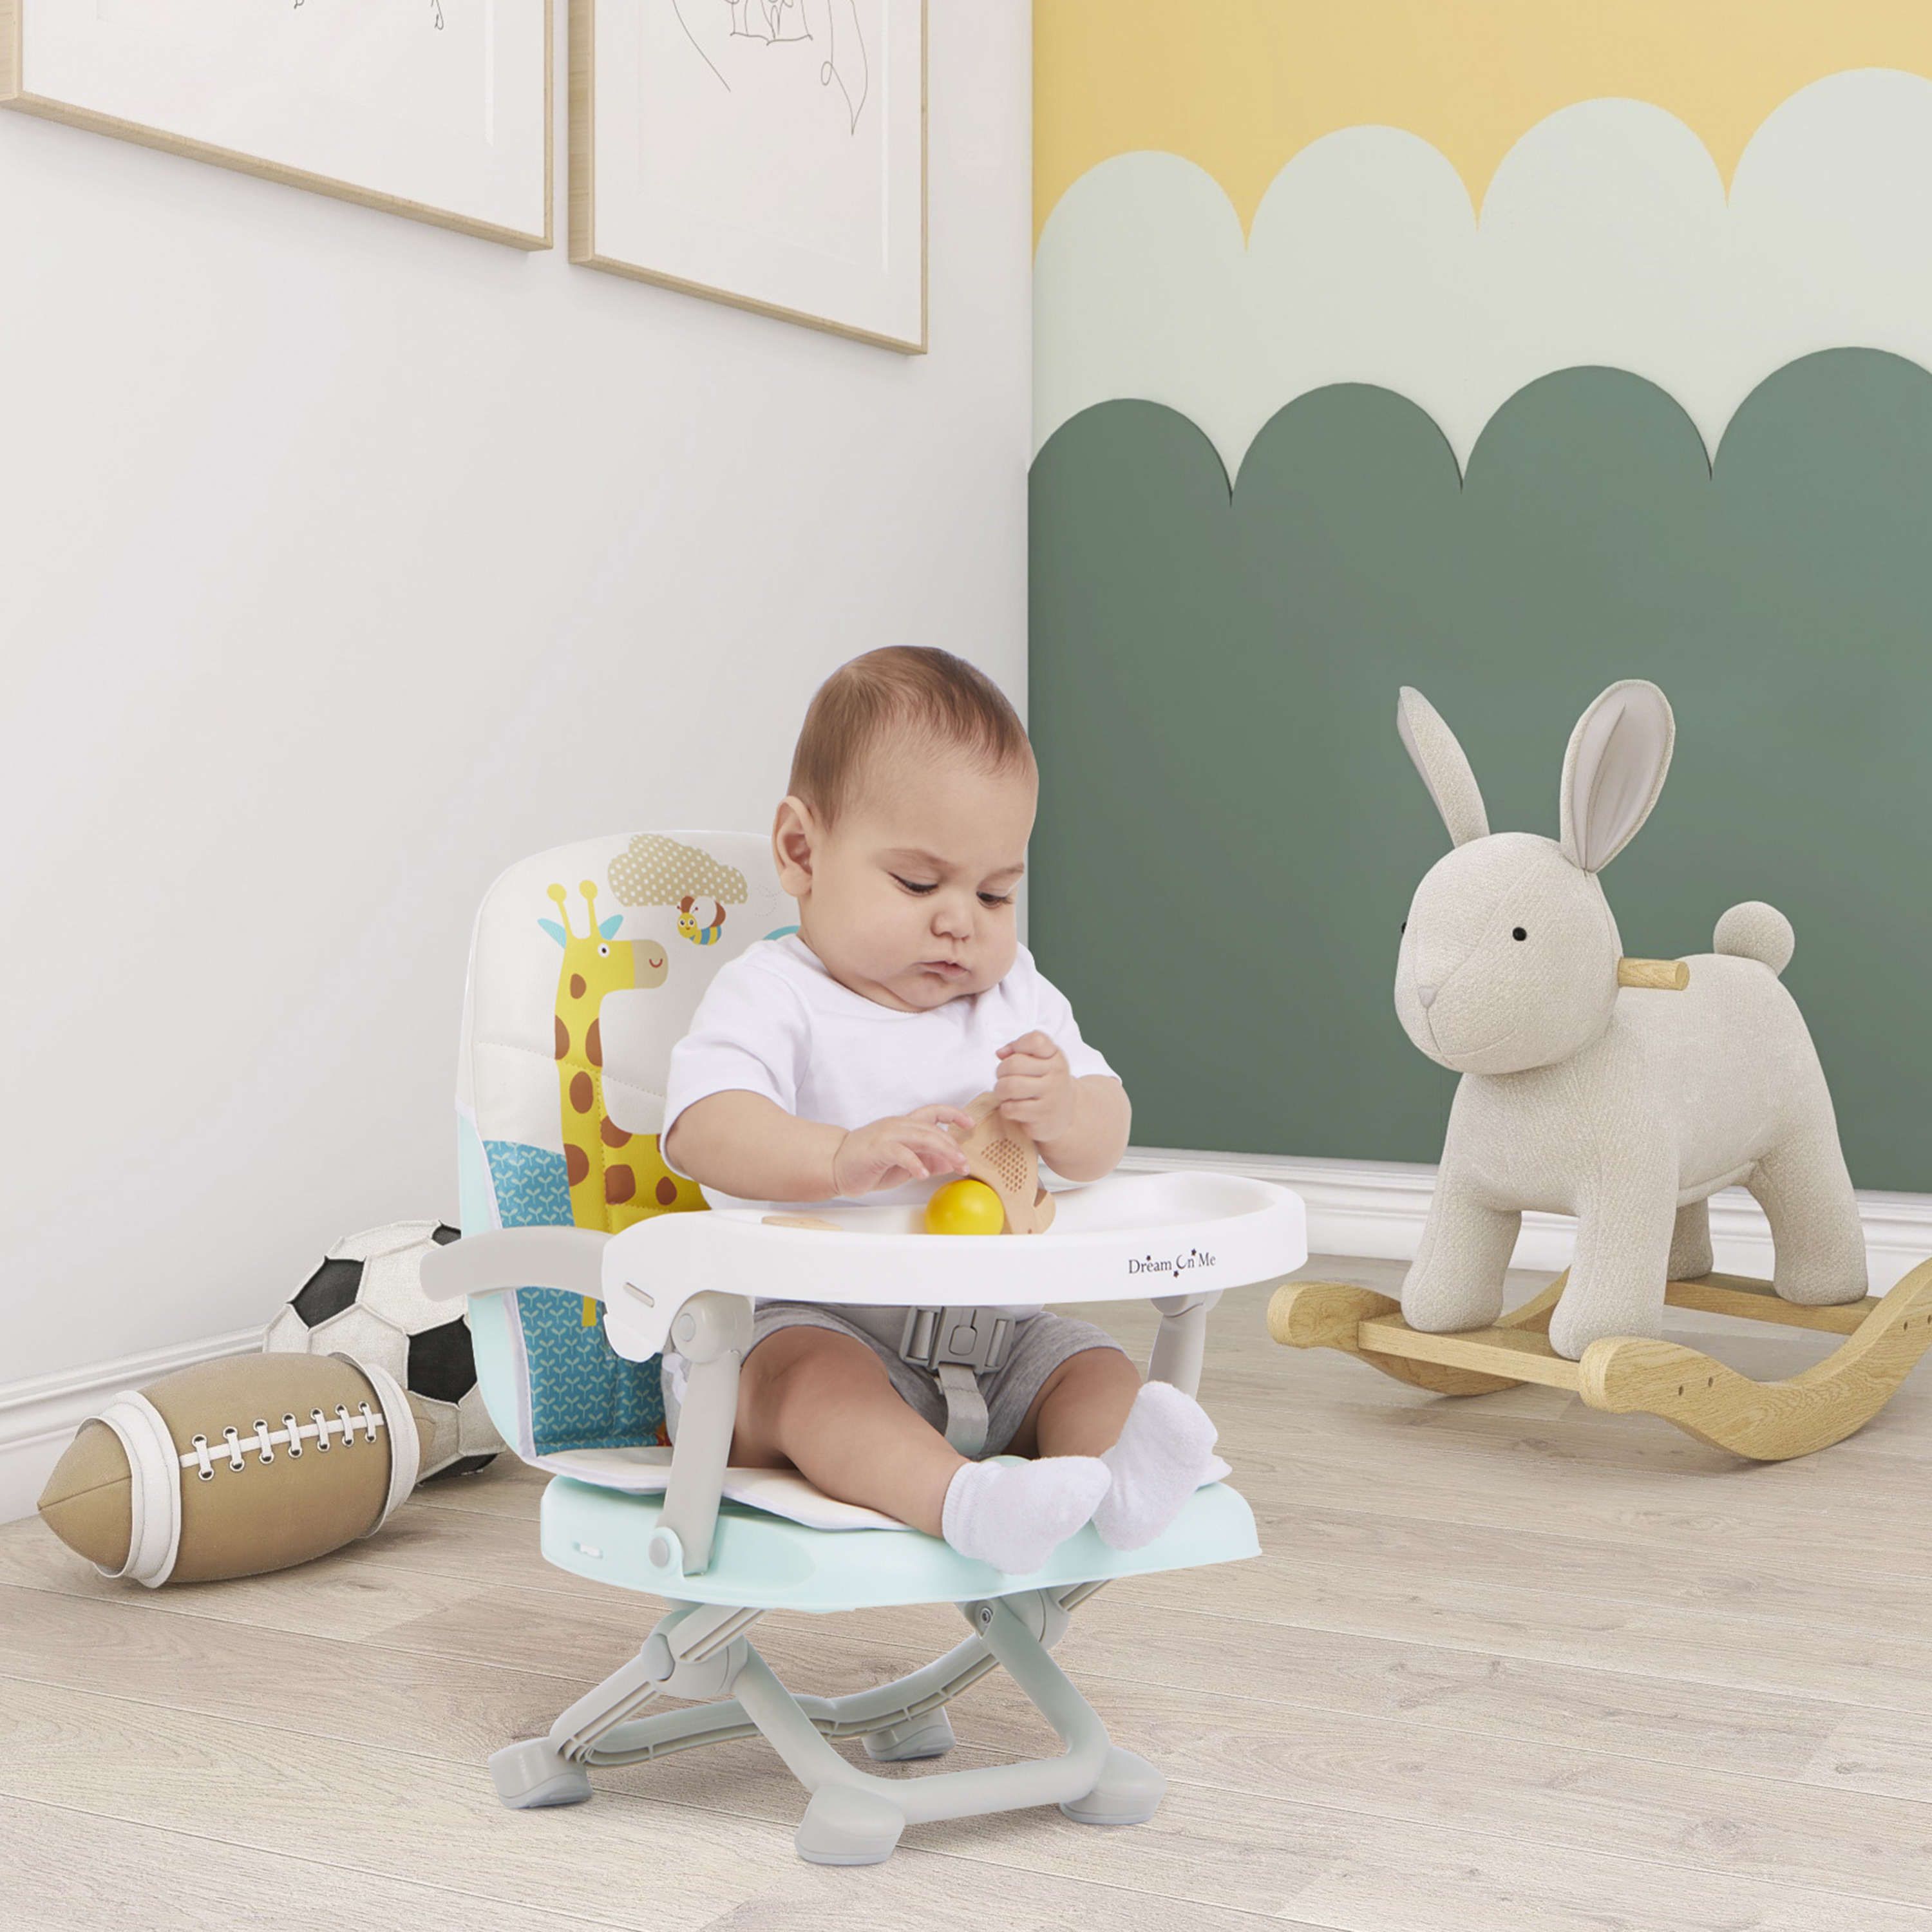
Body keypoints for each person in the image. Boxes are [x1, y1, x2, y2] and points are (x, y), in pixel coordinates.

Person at [663, 647, 1222, 1571]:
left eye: (997, 892)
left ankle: (1116, 1483)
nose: (963, 919)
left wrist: (1066, 1109)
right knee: (813, 1380)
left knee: (1089, 1364)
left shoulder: (1017, 1001)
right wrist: (839, 1157)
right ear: (802, 852)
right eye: (920, 885)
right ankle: (961, 1503)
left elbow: (1105, 1138)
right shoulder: (773, 994)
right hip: (794, 1331)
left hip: (995, 1338)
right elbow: (705, 1128)